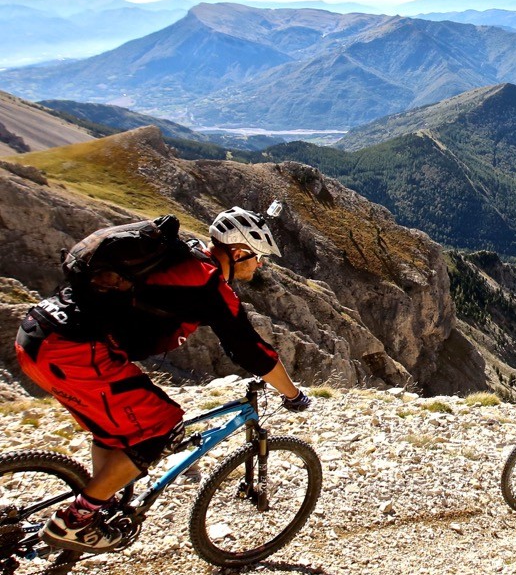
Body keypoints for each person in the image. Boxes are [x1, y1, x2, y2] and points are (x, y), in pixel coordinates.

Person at [15, 206, 312, 552]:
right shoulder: (207, 282)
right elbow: (251, 351)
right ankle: (77, 521)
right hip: (76, 351)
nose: (258, 265)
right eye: (256, 256)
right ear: (238, 252)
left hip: (38, 336)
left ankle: (103, 500)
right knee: (162, 426)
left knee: (117, 431)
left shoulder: (180, 259)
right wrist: (292, 395)